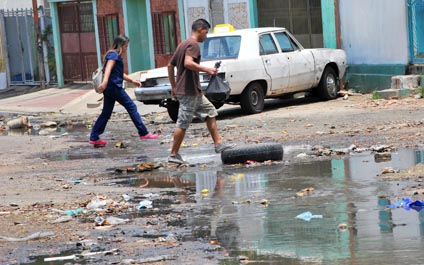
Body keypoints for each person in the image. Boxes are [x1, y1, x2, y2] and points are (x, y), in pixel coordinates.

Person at [167, 19, 234, 164]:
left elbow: (169, 65)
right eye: (206, 32)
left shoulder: (182, 44)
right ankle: (173, 155)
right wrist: (208, 69)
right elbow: (188, 63)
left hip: (193, 91)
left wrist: (173, 86)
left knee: (210, 111)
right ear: (200, 29)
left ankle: (218, 144)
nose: (206, 35)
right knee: (183, 122)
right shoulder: (193, 44)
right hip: (188, 91)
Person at [89, 35, 158, 146]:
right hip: (114, 87)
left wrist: (132, 80)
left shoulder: (114, 55)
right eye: (126, 46)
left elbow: (118, 73)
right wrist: (105, 82)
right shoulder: (113, 55)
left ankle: (94, 137)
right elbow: (108, 69)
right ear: (121, 45)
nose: (126, 48)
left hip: (110, 88)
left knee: (106, 113)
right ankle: (143, 133)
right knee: (132, 107)